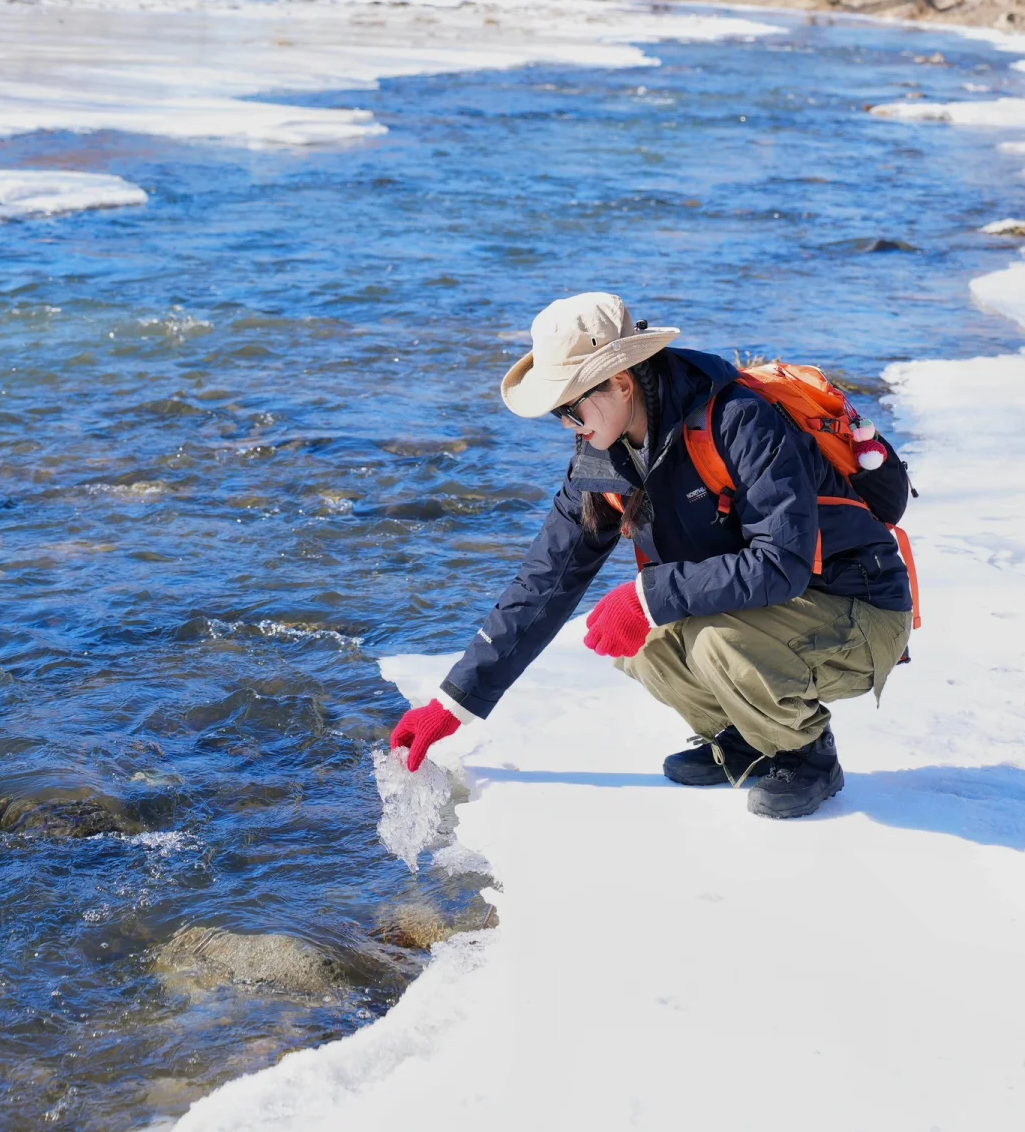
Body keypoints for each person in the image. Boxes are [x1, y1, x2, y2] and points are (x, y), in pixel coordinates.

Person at [390, 293, 914, 819]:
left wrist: (649, 595)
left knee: (710, 642)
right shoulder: (602, 459)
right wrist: (452, 704)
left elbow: (783, 563)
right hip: (775, 615)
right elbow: (544, 582)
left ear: (620, 383)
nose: (569, 426)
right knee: (643, 644)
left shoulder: (738, 420)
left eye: (570, 408)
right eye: (558, 413)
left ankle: (807, 754)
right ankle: (750, 738)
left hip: (860, 608)